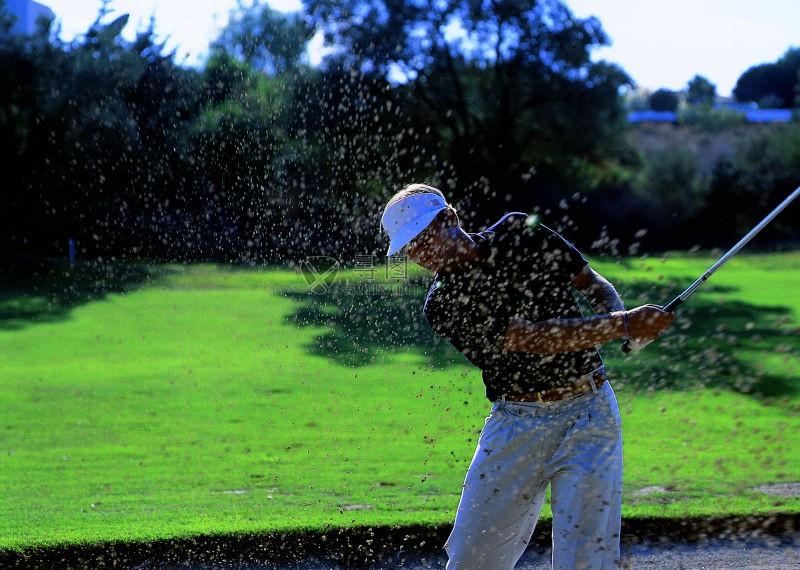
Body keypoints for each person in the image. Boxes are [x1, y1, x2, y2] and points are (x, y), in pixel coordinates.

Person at [380, 183, 676, 570]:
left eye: (423, 239)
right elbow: (527, 338)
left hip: (590, 417)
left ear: (449, 218)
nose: (421, 255)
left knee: (586, 560)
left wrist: (627, 323)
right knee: (472, 557)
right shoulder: (443, 302)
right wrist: (622, 323)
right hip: (515, 424)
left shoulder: (521, 230)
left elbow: (590, 282)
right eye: (410, 249)